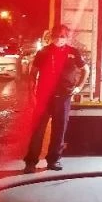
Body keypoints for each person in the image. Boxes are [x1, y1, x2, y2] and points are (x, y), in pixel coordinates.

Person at [23, 24, 90, 173]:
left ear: (67, 37)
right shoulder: (43, 52)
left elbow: (86, 70)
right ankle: (31, 162)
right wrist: (31, 94)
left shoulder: (73, 52)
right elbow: (33, 73)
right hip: (44, 96)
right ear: (51, 36)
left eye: (62, 36)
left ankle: (54, 160)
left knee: (59, 130)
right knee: (38, 130)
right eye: (56, 36)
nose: (59, 39)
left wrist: (79, 87)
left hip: (64, 97)